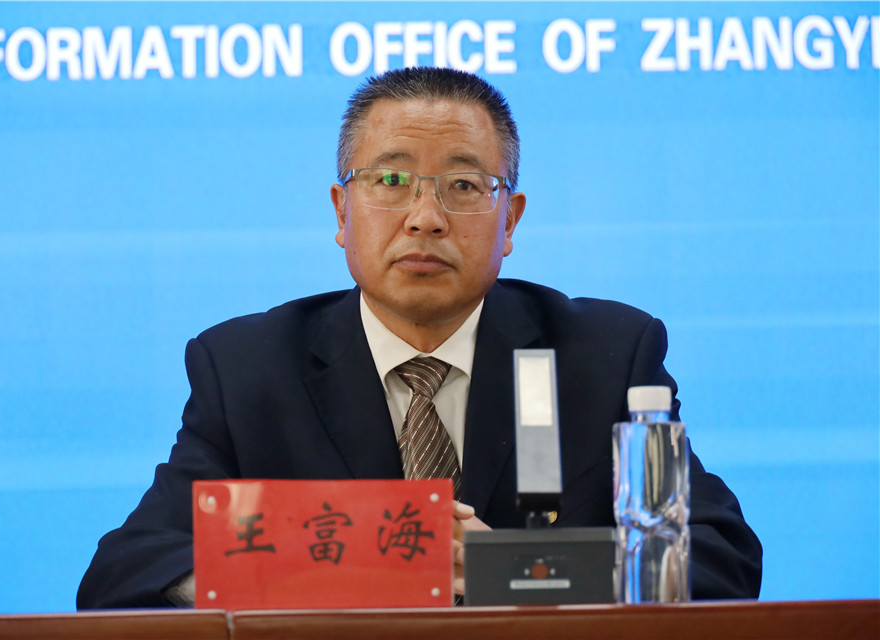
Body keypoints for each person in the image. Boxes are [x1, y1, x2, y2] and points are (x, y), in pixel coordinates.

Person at [77, 67, 762, 609]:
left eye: (464, 184)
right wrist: (356, 566)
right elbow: (126, 573)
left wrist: (513, 572)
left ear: (510, 220)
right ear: (342, 211)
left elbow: (719, 559)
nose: (425, 217)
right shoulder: (248, 370)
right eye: (391, 180)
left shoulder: (605, 356)